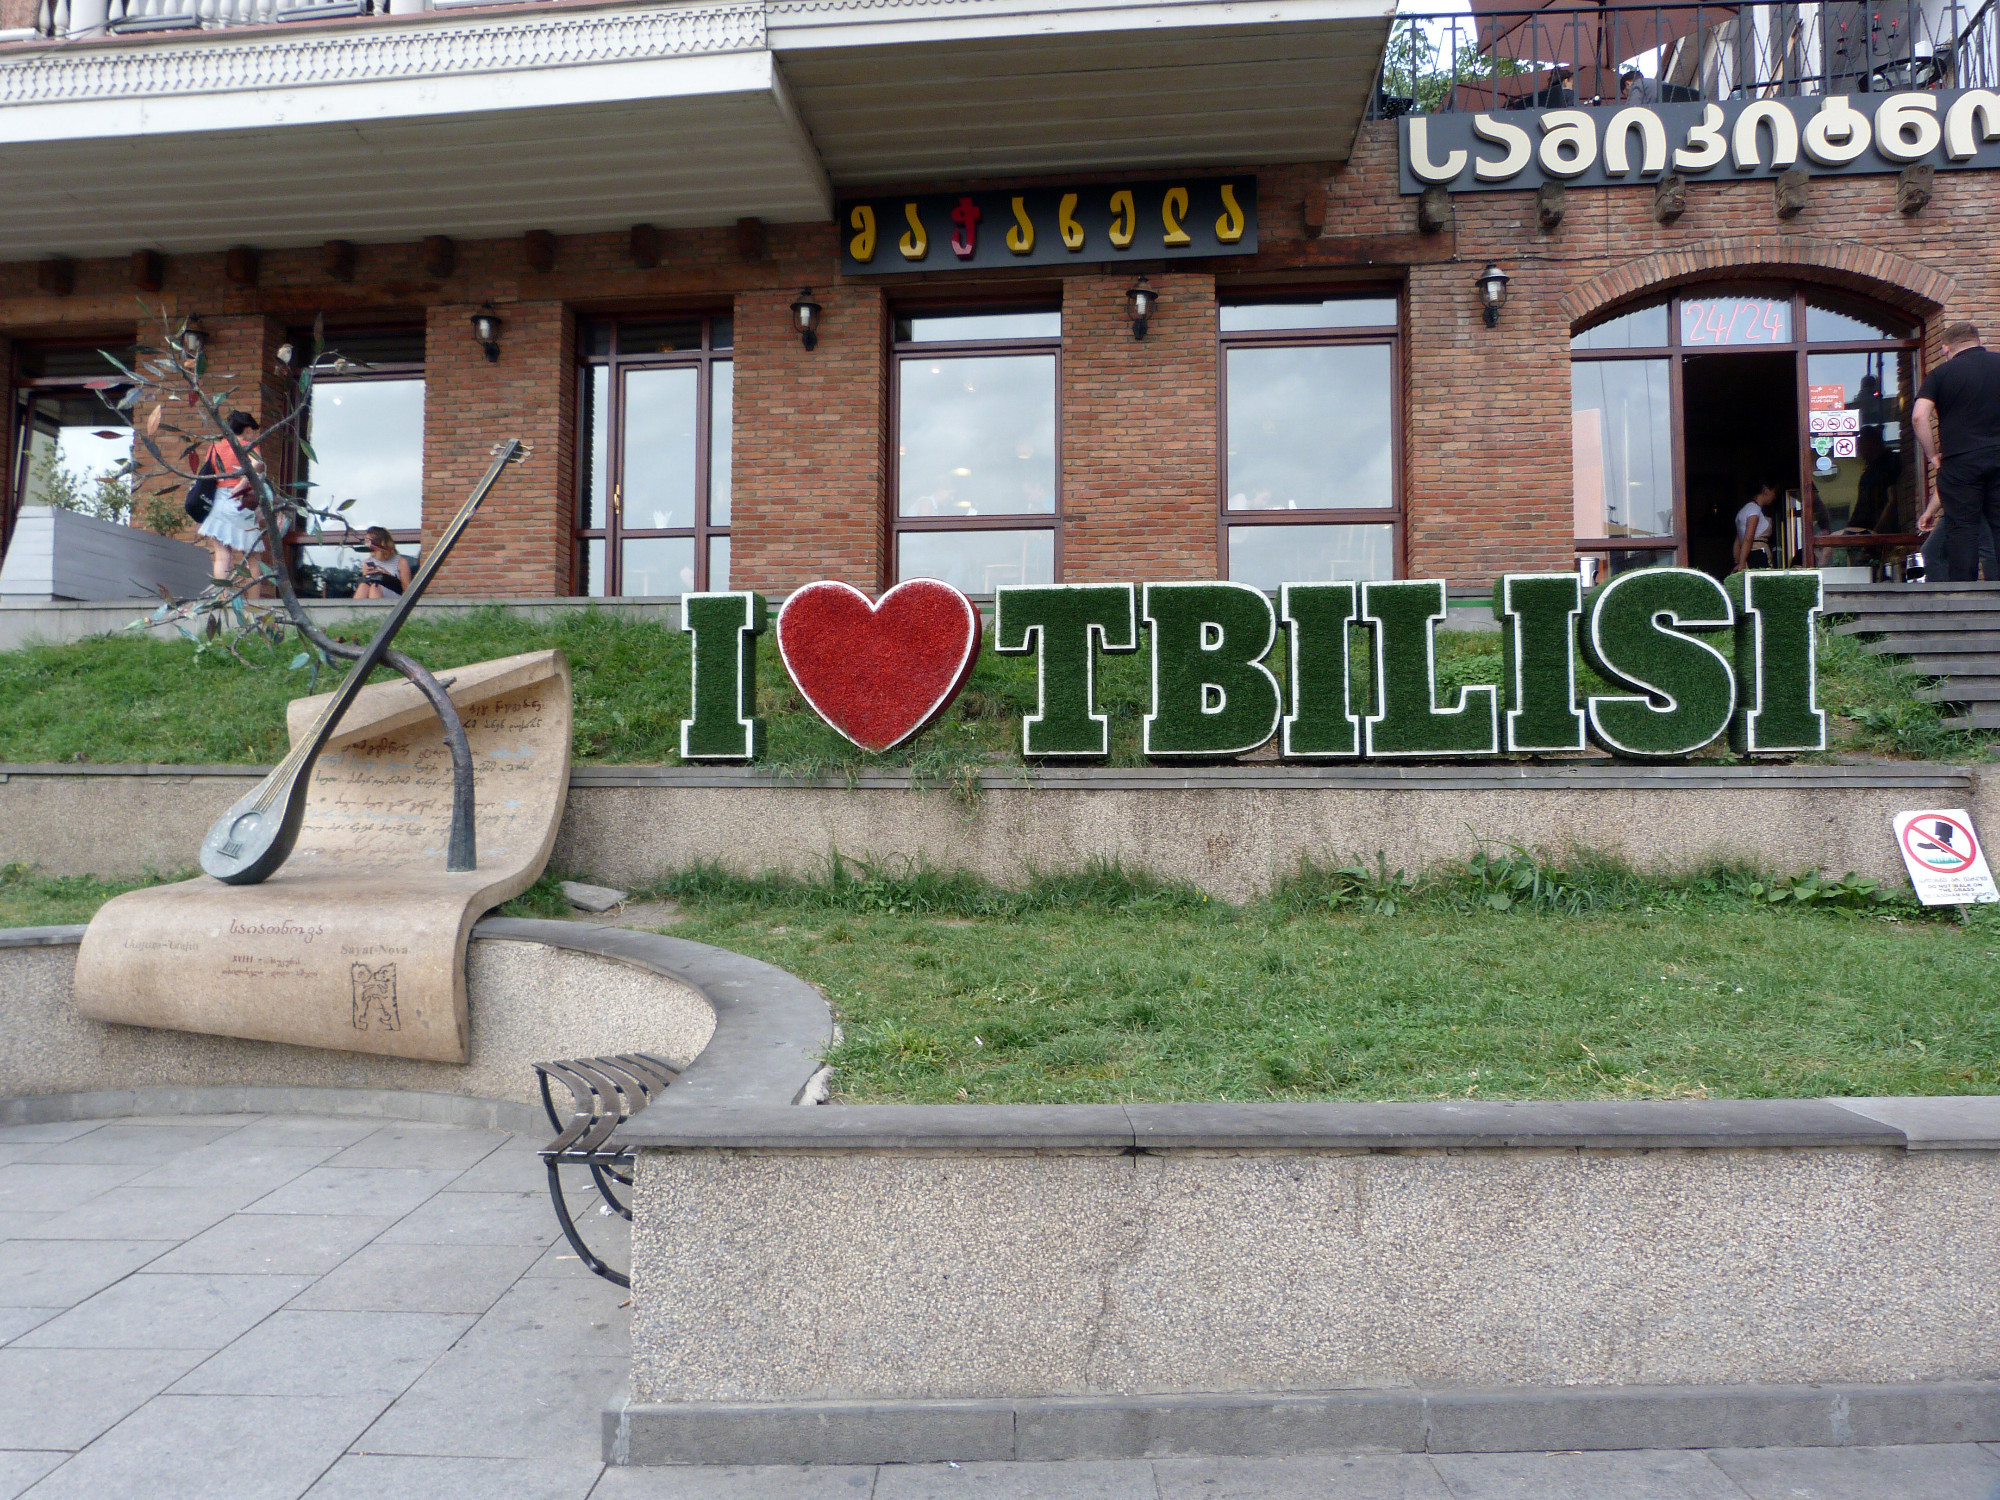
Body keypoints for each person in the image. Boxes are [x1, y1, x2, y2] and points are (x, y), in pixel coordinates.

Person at [1912, 320, 2000, 582]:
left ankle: (1965, 594)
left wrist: (1932, 455)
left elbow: (1919, 417)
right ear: (1979, 342)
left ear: (1945, 348)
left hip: (1960, 461)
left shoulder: (1941, 374)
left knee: (1963, 528)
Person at [194, 411, 272, 598]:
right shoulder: (249, 445)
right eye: (253, 431)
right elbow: (258, 465)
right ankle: (254, 603)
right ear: (246, 429)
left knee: (222, 555)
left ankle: (222, 599)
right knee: (253, 557)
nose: (254, 435)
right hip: (240, 502)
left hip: (218, 501)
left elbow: (209, 474)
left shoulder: (214, 448)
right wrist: (243, 483)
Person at [354, 526, 412, 599]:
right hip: (373, 593)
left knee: (375, 586)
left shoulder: (401, 562)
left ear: (381, 544)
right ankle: (354, 610)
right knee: (363, 586)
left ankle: (377, 610)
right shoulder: (368, 562)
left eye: (369, 543)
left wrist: (387, 576)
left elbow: (407, 591)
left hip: (395, 598)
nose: (367, 546)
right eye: (365, 543)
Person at [1733, 480, 1777, 573]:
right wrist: (1742, 562)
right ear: (1766, 490)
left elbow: (1737, 541)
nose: (1774, 496)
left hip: (1748, 554)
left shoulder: (1743, 510)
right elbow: (1749, 537)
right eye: (1774, 492)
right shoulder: (1754, 510)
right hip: (1758, 553)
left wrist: (1738, 560)